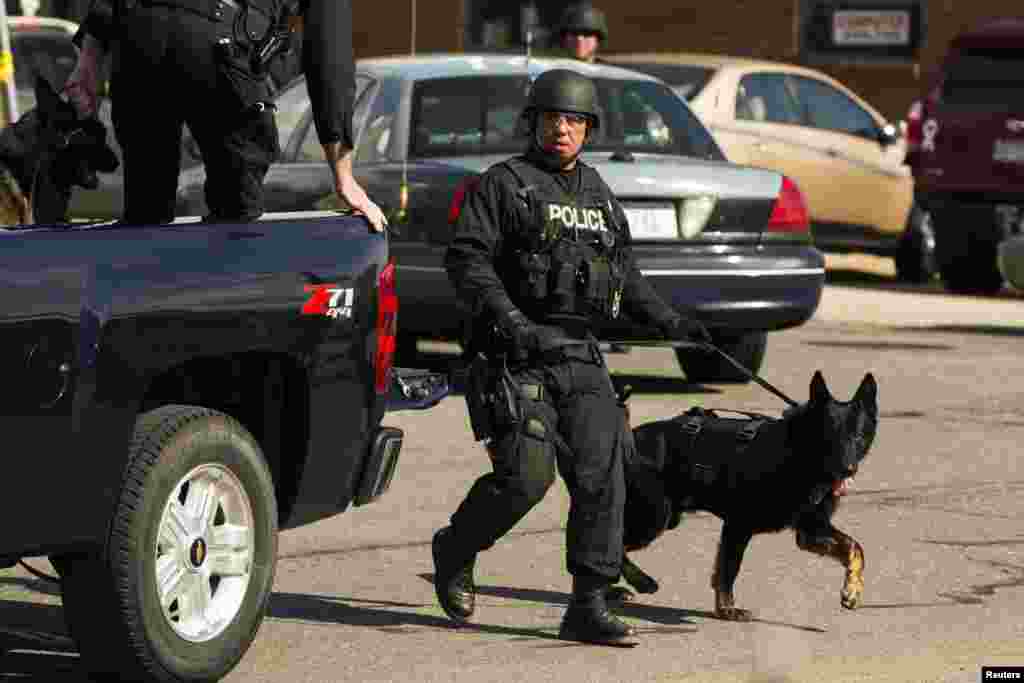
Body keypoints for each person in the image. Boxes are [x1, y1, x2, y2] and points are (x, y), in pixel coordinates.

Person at [434, 68, 711, 647]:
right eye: (552, 119)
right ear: (532, 122)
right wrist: (511, 322)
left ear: (588, 129)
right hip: (515, 356)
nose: (563, 130)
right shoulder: (503, 185)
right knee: (525, 480)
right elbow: (468, 261)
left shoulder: (600, 196)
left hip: (579, 355)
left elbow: (625, 276)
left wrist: (672, 321)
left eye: (575, 121)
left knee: (602, 475)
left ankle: (587, 602)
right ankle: (457, 548)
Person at [62, 0, 386, 230]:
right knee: (236, 218)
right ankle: (219, 310)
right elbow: (330, 59)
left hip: (138, 38)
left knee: (145, 212)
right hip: (223, 52)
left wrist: (88, 60)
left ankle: (138, 316)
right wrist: (344, 177)